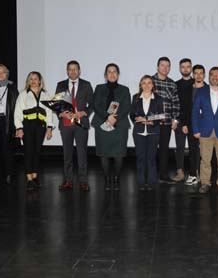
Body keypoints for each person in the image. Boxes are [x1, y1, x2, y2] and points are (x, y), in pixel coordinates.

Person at [55, 60, 94, 191]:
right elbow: (57, 104)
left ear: (79, 71)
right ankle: (68, 180)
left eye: (75, 69)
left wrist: (84, 112)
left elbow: (92, 104)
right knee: (67, 154)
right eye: (70, 69)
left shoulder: (86, 85)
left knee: (82, 153)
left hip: (80, 123)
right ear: (67, 71)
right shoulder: (60, 85)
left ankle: (83, 181)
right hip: (66, 123)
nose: (72, 71)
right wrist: (60, 113)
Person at [92, 63, 131, 191]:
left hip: (120, 125)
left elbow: (126, 106)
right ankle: (107, 180)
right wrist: (107, 117)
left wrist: (115, 119)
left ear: (118, 75)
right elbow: (96, 105)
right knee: (104, 154)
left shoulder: (124, 89)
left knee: (119, 154)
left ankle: (116, 179)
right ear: (105, 75)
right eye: (109, 72)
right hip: (102, 123)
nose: (112, 74)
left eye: (114, 72)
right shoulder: (99, 88)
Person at [14, 71, 55, 191]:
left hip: (40, 126)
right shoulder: (23, 94)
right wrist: (19, 128)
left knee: (37, 152)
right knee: (28, 152)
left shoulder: (46, 94)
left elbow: (49, 112)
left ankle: (35, 176)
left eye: (35, 79)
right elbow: (17, 112)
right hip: (27, 125)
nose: (33, 81)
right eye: (31, 79)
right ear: (28, 81)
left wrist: (49, 128)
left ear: (40, 81)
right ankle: (29, 179)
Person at [130, 75, 164, 191]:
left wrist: (148, 119)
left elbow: (161, 115)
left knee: (151, 158)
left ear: (153, 85)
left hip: (153, 131)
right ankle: (140, 182)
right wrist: (139, 119)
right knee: (140, 158)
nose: (147, 85)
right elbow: (132, 114)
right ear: (141, 85)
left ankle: (151, 182)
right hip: (139, 132)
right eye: (144, 83)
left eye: (149, 83)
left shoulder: (158, 98)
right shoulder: (135, 97)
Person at [152, 57, 180, 184]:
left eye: (167, 66)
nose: (165, 68)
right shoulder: (150, 81)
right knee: (151, 149)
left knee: (164, 150)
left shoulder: (172, 84)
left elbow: (176, 103)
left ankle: (163, 175)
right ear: (157, 67)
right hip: (152, 122)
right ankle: (150, 175)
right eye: (162, 65)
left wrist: (175, 119)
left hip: (167, 123)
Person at [180, 64, 206, 186]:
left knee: (206, 152)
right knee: (192, 150)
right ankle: (193, 175)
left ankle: (204, 175)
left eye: (201, 73)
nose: (198, 76)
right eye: (196, 73)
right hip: (191, 124)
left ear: (204, 75)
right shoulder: (188, 89)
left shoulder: (209, 89)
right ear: (193, 74)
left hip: (206, 124)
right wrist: (184, 124)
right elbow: (184, 108)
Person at [174, 58, 193, 183]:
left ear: (191, 68)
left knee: (194, 148)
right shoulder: (176, 85)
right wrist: (176, 120)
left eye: (188, 66)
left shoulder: (198, 84)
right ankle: (180, 171)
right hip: (180, 121)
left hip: (194, 121)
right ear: (180, 69)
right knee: (180, 147)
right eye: (183, 67)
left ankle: (194, 172)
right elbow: (174, 104)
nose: (185, 69)